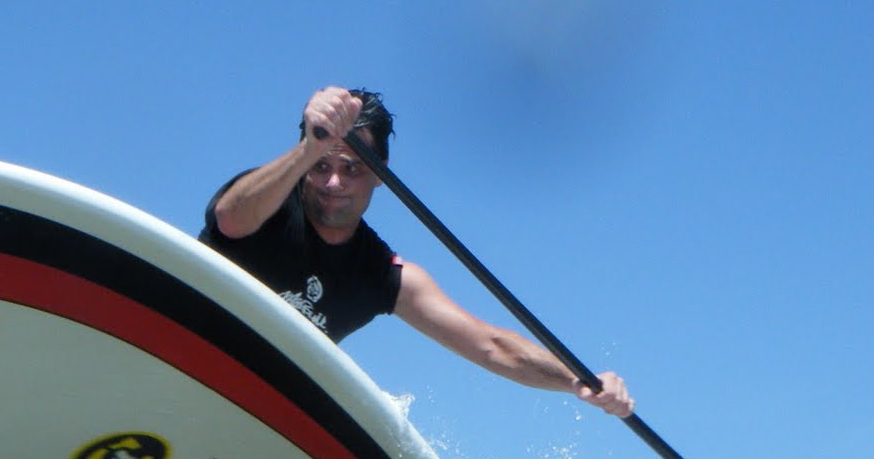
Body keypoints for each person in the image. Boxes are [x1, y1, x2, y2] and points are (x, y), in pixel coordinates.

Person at [199, 86, 635, 418]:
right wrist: (311, 144)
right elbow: (230, 220)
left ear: (380, 176)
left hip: (255, 405)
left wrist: (577, 378)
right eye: (321, 165)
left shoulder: (384, 276)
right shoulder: (268, 201)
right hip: (188, 350)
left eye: (352, 168)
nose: (334, 183)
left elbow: (491, 346)